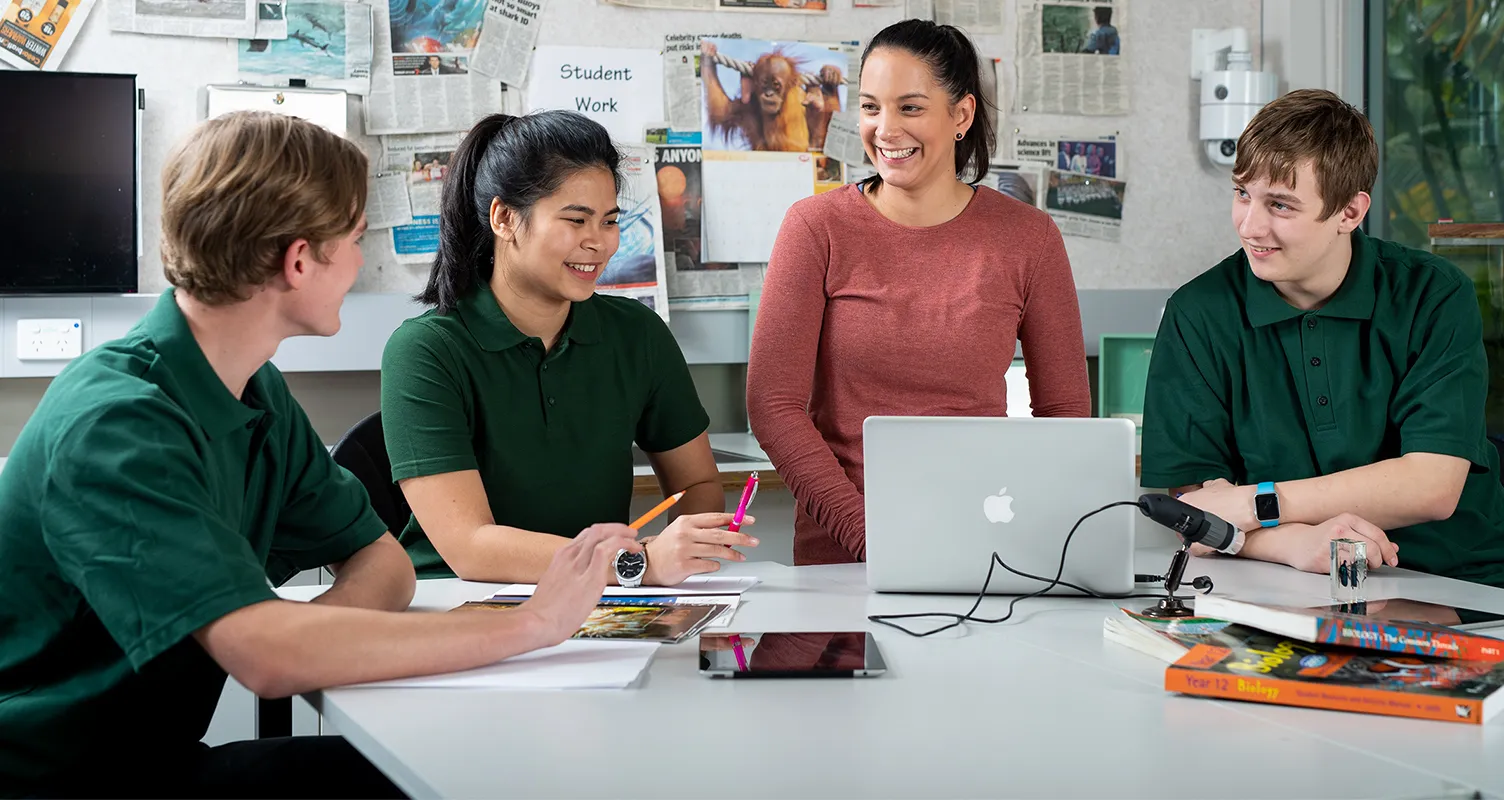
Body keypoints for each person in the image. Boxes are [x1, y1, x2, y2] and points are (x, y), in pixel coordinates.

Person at [0, 111, 643, 799]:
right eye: (356, 240)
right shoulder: (117, 424)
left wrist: (307, 635)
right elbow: (267, 660)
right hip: (52, 782)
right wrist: (533, 625)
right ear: (300, 260)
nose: (363, 262)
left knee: (471, 773)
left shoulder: (253, 390)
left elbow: (383, 564)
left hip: (153, 762)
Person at [1141, 89, 1504, 607]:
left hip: (1491, 582)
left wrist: (1259, 505)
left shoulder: (1432, 294)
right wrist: (1293, 543)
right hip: (1298, 590)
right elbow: (1193, 511)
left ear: (1350, 211)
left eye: (1281, 205)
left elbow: (1431, 485)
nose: (1250, 226)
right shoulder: (1198, 312)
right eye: (1243, 193)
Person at [747, 19, 1091, 566]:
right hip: (844, 553)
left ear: (961, 115)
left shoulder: (1029, 237)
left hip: (988, 542)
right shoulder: (816, 227)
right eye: (870, 107)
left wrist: (1029, 526)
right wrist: (870, 538)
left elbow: (1065, 413)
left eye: (909, 108)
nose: (885, 129)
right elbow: (773, 405)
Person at [381, 110, 752, 585]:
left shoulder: (637, 334)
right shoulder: (425, 352)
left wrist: (678, 553)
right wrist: (637, 563)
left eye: (610, 221)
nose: (598, 243)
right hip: (460, 606)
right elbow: (470, 547)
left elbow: (698, 484)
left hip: (602, 602)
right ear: (505, 219)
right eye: (576, 220)